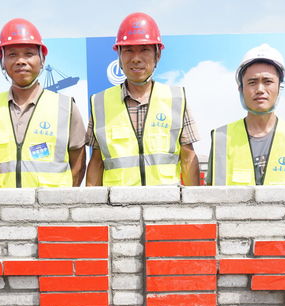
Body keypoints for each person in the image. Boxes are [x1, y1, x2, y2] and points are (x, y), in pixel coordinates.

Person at [85, 12, 200, 186]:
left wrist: (193, 201)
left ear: (157, 55)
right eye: (128, 50)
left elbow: (188, 158)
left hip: (166, 200)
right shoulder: (100, 103)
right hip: (117, 201)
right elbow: (96, 161)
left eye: (144, 50)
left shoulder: (176, 99)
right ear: (119, 56)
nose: (136, 59)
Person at [0, 18, 86, 188]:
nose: (20, 61)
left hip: (54, 204)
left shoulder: (65, 107)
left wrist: (65, 199)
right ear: (2, 62)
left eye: (29, 54)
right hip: (2, 203)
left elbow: (78, 163)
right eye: (12, 54)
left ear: (42, 60)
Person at [207, 44, 285, 185]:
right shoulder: (222, 138)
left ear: (280, 87)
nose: (260, 89)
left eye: (268, 81)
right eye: (252, 82)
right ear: (241, 89)